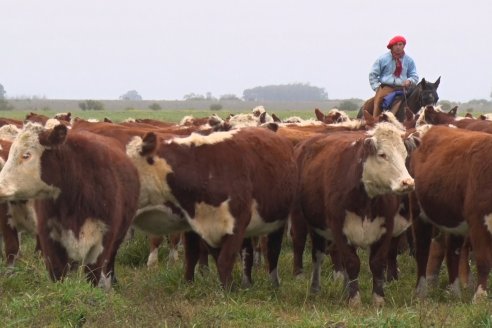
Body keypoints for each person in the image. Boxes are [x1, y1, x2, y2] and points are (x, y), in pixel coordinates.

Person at [369, 35, 419, 117]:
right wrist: (376, 88)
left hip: (403, 89)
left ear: (404, 46)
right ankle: (375, 122)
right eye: (396, 45)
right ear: (391, 47)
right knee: (378, 103)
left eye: (400, 44)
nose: (398, 47)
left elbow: (414, 75)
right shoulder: (383, 59)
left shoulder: (409, 60)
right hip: (386, 88)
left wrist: (409, 81)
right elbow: (373, 74)